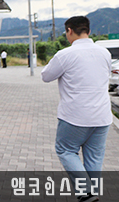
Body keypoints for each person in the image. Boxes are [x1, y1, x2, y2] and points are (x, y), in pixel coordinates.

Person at [41, 16, 111, 202]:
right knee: (94, 157)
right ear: (88, 30)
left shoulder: (65, 54)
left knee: (65, 150)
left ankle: (85, 192)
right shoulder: (104, 53)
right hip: (102, 116)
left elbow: (46, 76)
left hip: (75, 116)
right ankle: (92, 193)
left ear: (69, 31)